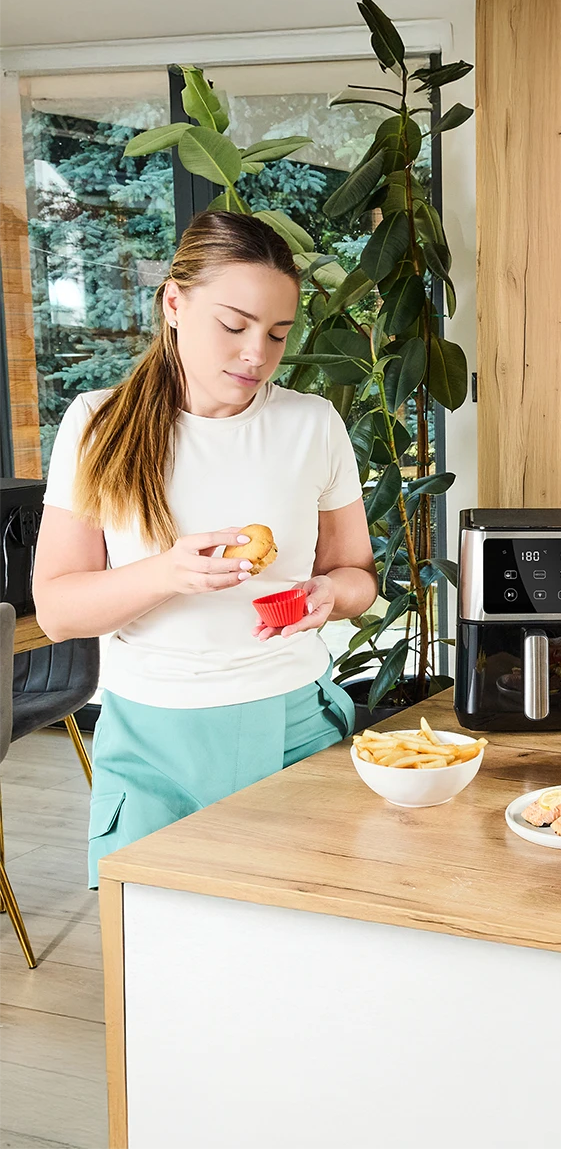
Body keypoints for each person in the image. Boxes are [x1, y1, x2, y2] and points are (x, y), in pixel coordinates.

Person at [32, 211, 378, 887]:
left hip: (294, 724)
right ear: (174, 304)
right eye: (234, 325)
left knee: (303, 938)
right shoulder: (97, 425)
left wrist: (332, 594)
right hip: (151, 741)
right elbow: (58, 612)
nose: (257, 354)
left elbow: (357, 575)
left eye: (277, 333)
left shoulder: (311, 424)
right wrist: (168, 573)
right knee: (158, 945)